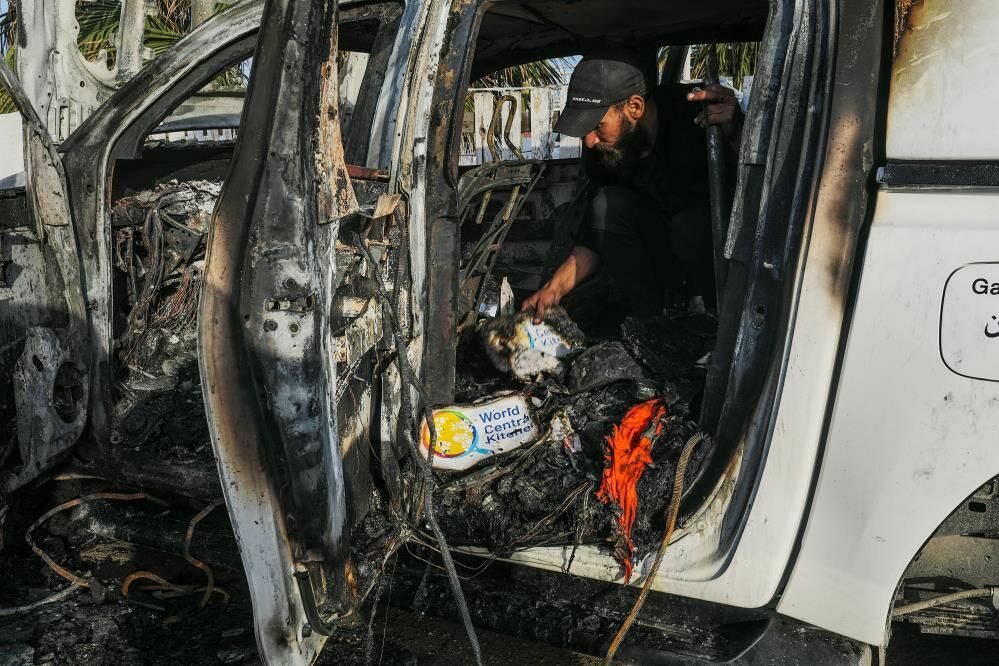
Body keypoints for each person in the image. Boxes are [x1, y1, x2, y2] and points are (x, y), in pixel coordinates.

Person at [521, 50, 741, 324]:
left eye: (598, 126)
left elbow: (756, 194)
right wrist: (553, 289)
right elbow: (594, 236)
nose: (589, 141)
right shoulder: (604, 150)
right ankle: (653, 324)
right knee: (604, 205)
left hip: (720, 259)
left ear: (634, 107)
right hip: (662, 257)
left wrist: (734, 132)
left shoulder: (698, 116)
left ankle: (718, 321)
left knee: (689, 226)